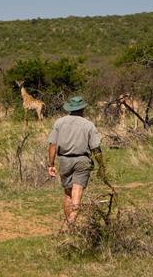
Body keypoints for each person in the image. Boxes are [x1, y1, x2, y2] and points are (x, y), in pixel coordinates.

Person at [47, 96, 106, 225]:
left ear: (70, 109)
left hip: (64, 160)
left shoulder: (59, 123)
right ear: (82, 109)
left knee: (68, 194)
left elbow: (52, 145)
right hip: (82, 160)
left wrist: (50, 164)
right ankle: (71, 222)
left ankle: (69, 223)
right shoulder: (88, 125)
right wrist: (101, 165)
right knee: (77, 192)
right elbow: (96, 148)